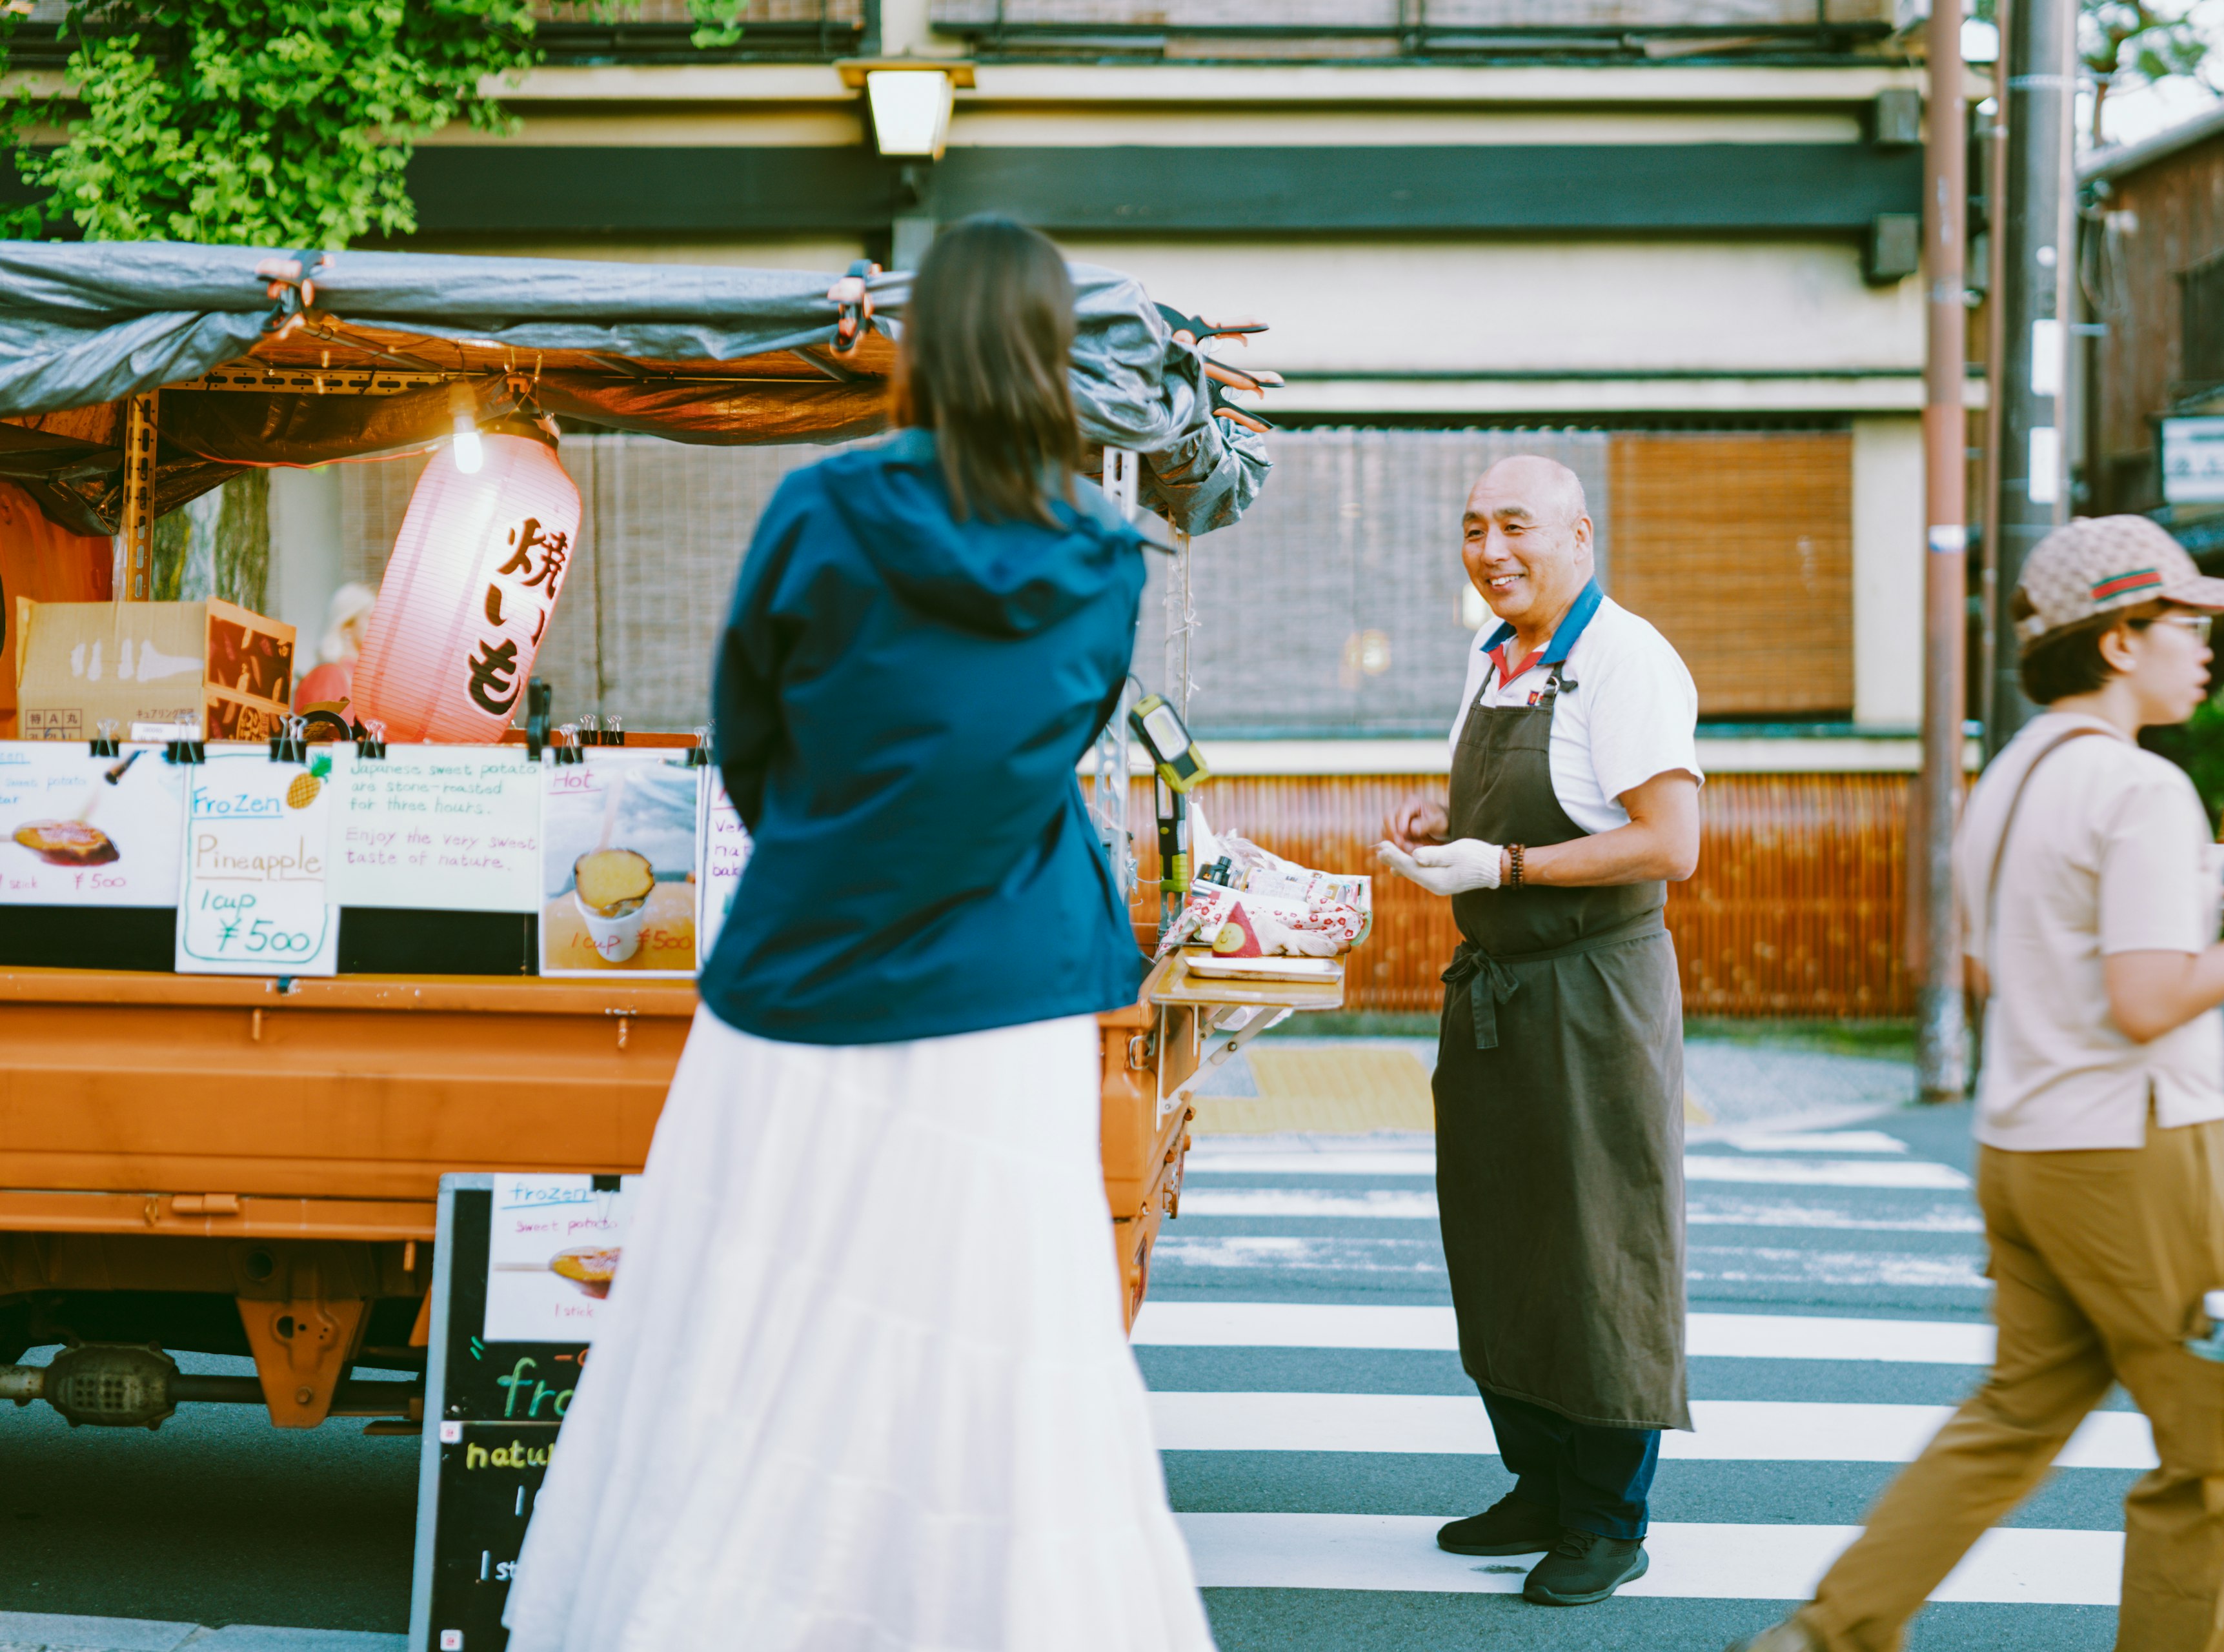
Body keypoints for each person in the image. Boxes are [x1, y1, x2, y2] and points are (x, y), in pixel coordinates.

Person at [503, 217, 1214, 1652]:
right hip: (1007, 1000)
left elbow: (749, 743)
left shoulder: (820, 509)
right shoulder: (1101, 554)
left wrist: (836, 853)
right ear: (1049, 353)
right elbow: (1050, 748)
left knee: (755, 1315)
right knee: (998, 1330)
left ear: (914, 340)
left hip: (804, 981)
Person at [1726, 516, 2224, 1652]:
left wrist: (2198, 894)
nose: (2205, 644)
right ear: (2117, 641)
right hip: (2140, 1157)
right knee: (2215, 1458)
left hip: (2027, 1148)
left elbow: (2003, 961)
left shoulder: (2009, 777)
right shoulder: (2140, 789)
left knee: (2013, 1416)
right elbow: (2147, 1002)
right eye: (2184, 621)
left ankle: (1827, 1636)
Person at [1377, 455, 1702, 1608]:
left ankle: (1610, 1521)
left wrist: (1504, 862)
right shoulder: (1495, 655)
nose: (1491, 549)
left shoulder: (1628, 661)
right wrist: (1444, 818)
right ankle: (1540, 1482)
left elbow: (1671, 841)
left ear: (1579, 534)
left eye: (1515, 526)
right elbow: (1524, 796)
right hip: (1497, 990)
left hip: (1591, 989)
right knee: (1501, 1237)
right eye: (1472, 528)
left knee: (1598, 1248)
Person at [292, 580, 373, 713]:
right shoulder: (329, 675)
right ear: (346, 626)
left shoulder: (365, 679)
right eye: (371, 618)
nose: (381, 625)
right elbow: (328, 732)